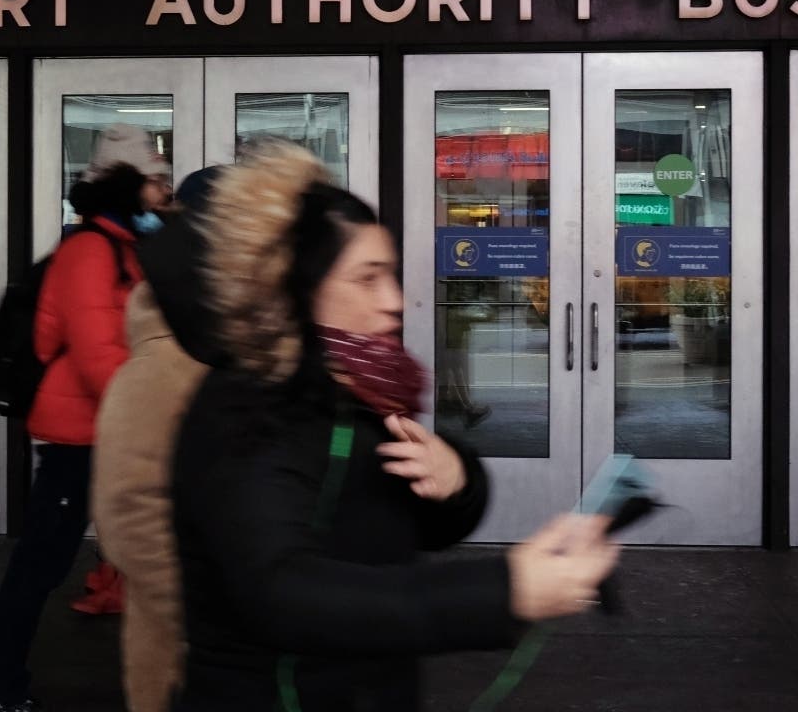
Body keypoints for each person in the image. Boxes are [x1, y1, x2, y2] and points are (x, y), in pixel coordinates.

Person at [169, 140, 619, 712]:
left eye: (394, 275)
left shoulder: (353, 387)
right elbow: (280, 594)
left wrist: (456, 480)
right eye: (368, 278)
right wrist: (502, 592)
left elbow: (399, 528)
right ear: (294, 286)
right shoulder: (246, 406)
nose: (396, 301)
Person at [0, 124, 172, 712]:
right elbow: (99, 358)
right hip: (80, 440)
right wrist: (160, 416)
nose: (165, 193)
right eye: (157, 182)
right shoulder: (90, 251)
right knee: (40, 565)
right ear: (128, 184)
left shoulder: (127, 248)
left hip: (112, 433)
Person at [92, 166, 225, 712]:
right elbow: (127, 513)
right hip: (190, 663)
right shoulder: (164, 356)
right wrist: (212, 616)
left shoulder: (240, 339)